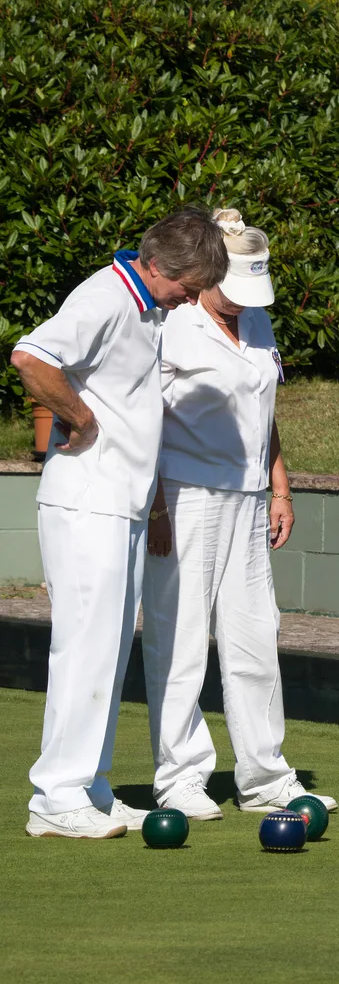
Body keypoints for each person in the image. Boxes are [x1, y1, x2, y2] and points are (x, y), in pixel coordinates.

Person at [11, 209, 229, 839]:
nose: (193, 298)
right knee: (84, 647)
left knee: (107, 649)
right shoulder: (105, 297)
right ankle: (55, 796)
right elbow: (31, 356)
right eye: (189, 285)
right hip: (86, 500)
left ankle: (92, 789)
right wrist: (77, 419)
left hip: (122, 504)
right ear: (157, 265)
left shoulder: (149, 310)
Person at [141, 208, 336, 821]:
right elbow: (144, 417)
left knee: (256, 639)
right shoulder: (171, 324)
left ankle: (266, 778)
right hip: (185, 495)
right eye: (231, 290)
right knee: (181, 640)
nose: (240, 303)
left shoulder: (258, 323)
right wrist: (156, 506)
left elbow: (264, 410)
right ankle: (179, 778)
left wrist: (281, 487)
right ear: (207, 273)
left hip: (250, 500)